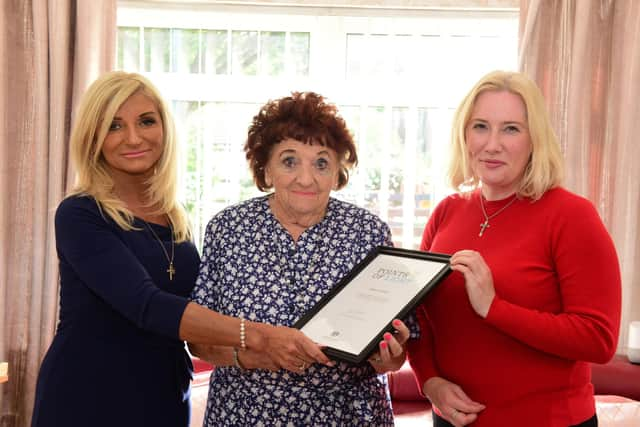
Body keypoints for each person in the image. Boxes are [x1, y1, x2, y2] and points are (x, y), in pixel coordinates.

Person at [31, 72, 332, 427]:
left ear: (164, 128)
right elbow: (147, 306)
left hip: (163, 397)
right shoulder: (80, 213)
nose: (133, 137)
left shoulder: (175, 220)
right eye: (113, 126)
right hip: (89, 397)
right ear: (93, 137)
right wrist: (262, 336)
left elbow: (198, 319)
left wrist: (255, 356)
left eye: (146, 121)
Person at [407, 70, 621, 427]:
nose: (492, 144)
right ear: (464, 134)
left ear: (534, 139)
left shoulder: (571, 215)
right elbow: (420, 316)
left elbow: (598, 339)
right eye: (480, 126)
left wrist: (494, 308)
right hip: (451, 420)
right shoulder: (447, 211)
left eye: (511, 128)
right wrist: (429, 382)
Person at [189, 91, 412, 426]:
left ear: (337, 173)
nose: (306, 178)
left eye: (321, 162)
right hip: (245, 416)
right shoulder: (228, 229)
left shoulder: (369, 233)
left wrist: (389, 358)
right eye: (290, 160)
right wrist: (255, 356)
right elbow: (199, 340)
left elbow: (395, 352)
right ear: (266, 169)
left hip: (348, 417)